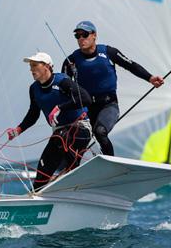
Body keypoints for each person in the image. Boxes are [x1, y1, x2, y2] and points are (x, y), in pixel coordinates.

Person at [62, 21, 164, 156]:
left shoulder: (109, 52)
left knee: (100, 132)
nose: (81, 39)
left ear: (94, 36)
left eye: (84, 35)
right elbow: (63, 88)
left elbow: (131, 65)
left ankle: (110, 165)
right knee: (73, 140)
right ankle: (66, 172)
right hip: (86, 108)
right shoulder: (71, 61)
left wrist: (150, 78)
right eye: (78, 36)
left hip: (108, 105)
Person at [6, 52, 92, 191]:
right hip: (60, 133)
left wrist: (60, 107)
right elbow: (33, 114)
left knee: (60, 139)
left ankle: (74, 181)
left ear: (46, 66)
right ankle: (39, 194)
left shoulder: (62, 81)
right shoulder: (34, 89)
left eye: (34, 65)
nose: (31, 70)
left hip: (80, 128)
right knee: (43, 170)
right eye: (30, 66)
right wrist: (19, 129)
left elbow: (86, 99)